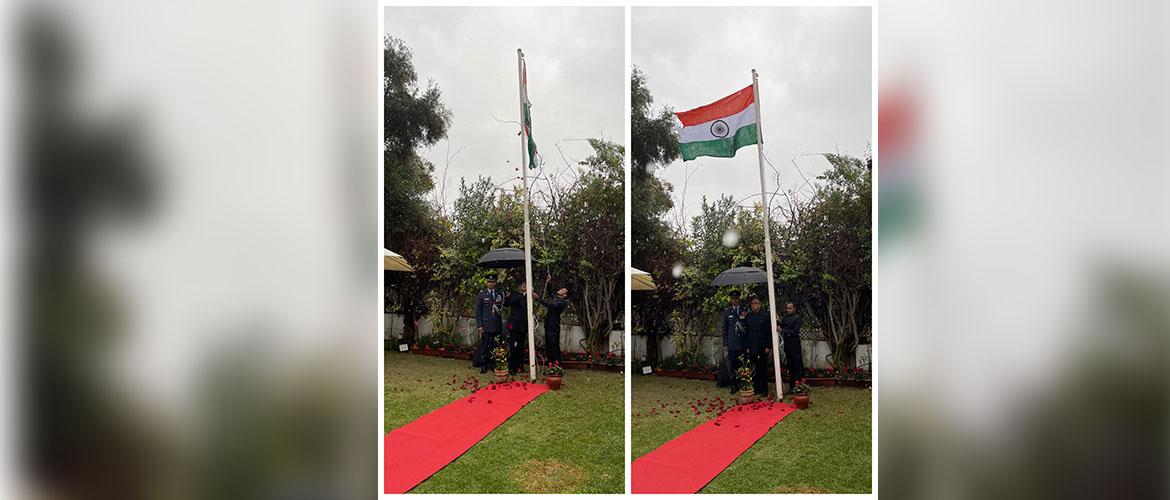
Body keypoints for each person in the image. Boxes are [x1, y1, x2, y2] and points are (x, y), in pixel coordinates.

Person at [503, 282, 538, 375]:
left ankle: (520, 366)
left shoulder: (528, 298)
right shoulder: (515, 295)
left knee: (521, 347)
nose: (525, 287)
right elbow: (512, 301)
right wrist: (524, 294)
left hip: (523, 326)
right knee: (514, 346)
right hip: (514, 326)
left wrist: (534, 315)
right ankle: (512, 367)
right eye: (524, 285)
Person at [472, 276, 505, 373]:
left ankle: (494, 364)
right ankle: (483, 365)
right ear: (486, 283)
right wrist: (480, 325)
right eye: (489, 282)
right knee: (485, 345)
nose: (490, 284)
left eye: (492, 282)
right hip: (486, 324)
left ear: (495, 283)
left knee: (495, 346)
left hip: (496, 324)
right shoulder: (482, 294)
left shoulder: (499, 294)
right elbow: (478, 310)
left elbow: (502, 305)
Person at [743, 296, 774, 397]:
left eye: (755, 303)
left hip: (762, 347)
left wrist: (768, 346)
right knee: (753, 369)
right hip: (752, 346)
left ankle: (764, 389)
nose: (753, 305)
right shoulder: (749, 316)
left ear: (759, 305)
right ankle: (756, 388)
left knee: (762, 369)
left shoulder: (765, 316)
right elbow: (747, 333)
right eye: (752, 304)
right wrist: (747, 346)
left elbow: (769, 332)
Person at [536, 274, 569, 366]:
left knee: (554, 345)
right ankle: (550, 364)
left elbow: (550, 306)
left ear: (564, 295)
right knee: (549, 346)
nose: (560, 289)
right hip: (548, 324)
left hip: (554, 326)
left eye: (563, 290)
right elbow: (550, 292)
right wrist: (549, 283)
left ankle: (557, 364)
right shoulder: (556, 299)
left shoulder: (562, 303)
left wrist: (538, 298)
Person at [721, 290, 748, 394]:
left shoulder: (744, 310)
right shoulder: (727, 312)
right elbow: (724, 329)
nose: (735, 300)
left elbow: (747, 326)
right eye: (733, 298)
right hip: (731, 344)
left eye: (736, 298)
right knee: (732, 366)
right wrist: (725, 344)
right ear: (730, 300)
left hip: (742, 343)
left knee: (742, 365)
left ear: (739, 299)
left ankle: (742, 383)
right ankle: (733, 385)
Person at [779, 301, 805, 395]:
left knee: (797, 365)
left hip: (795, 344)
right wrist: (778, 321)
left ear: (794, 308)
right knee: (790, 366)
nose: (788, 310)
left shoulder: (798, 318)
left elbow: (794, 331)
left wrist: (783, 330)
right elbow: (781, 326)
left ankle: (800, 385)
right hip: (787, 345)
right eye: (787, 308)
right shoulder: (785, 317)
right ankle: (792, 386)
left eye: (790, 308)